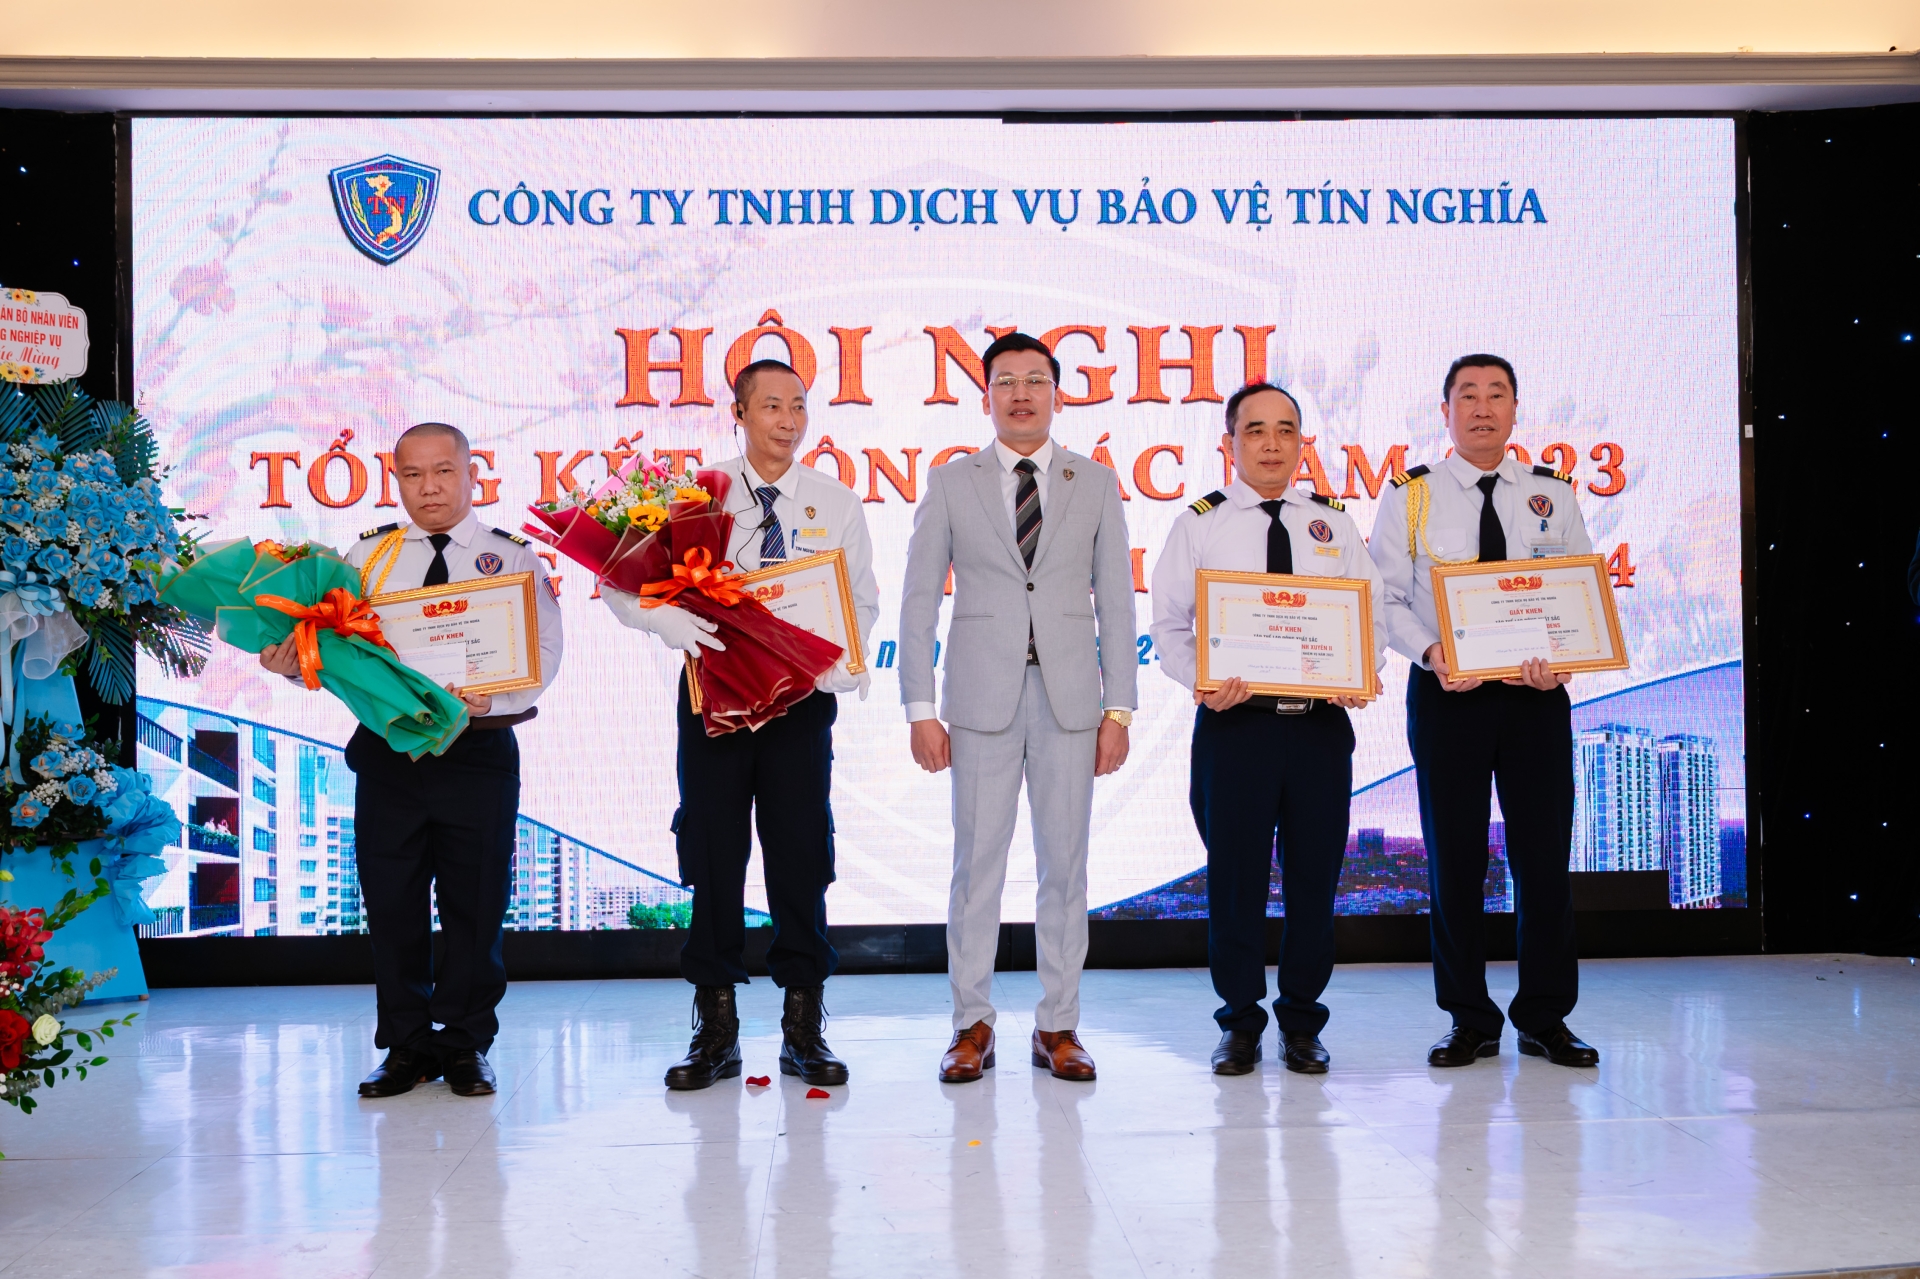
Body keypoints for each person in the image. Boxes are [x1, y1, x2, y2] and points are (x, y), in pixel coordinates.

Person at [260, 421, 565, 1098]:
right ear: (395, 480)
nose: (429, 487)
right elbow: (335, 653)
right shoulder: (365, 560)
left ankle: (464, 1043)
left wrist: (491, 697)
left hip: (477, 749)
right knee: (392, 904)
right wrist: (293, 662)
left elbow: (544, 650)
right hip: (388, 754)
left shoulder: (512, 558)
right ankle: (404, 1045)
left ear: (472, 475)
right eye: (413, 474)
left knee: (475, 907)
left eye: (444, 471)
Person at [602, 358, 878, 1091]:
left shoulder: (835, 502)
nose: (788, 421)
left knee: (801, 858)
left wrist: (834, 664)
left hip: (798, 705)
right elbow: (618, 577)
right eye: (772, 406)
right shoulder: (697, 496)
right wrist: (659, 619)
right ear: (739, 412)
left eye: (799, 406)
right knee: (713, 854)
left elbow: (860, 602)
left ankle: (803, 1026)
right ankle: (715, 1030)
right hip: (713, 701)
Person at [900, 331, 1136, 1084]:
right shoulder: (951, 482)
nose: (1022, 393)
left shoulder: (1094, 481)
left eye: (1036, 380)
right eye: (1006, 381)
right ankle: (970, 1025)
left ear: (1058, 394)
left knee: (1066, 868)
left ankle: (1059, 1025)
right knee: (977, 868)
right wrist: (919, 706)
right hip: (979, 702)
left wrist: (1119, 711)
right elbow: (917, 601)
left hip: (1071, 702)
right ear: (986, 397)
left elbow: (1117, 603)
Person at [1369, 355, 1600, 1069]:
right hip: (1449, 695)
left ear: (1515, 410)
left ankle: (1545, 1017)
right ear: (1445, 412)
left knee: (1544, 860)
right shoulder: (1411, 496)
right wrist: (1432, 651)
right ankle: (1468, 1017)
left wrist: (1566, 654)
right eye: (1467, 395)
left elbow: (1578, 589)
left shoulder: (1551, 494)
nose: (1482, 407)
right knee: (1455, 860)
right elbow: (1385, 597)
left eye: (1496, 394)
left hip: (1535, 699)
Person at [1149, 382, 1386, 1076]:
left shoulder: (1332, 524)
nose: (1272, 444)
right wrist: (1199, 680)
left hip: (1318, 730)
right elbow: (1169, 624)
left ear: (1302, 442)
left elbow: (1368, 614)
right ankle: (1240, 1022)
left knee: (1315, 878)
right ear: (1230, 444)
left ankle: (1303, 1022)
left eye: (1286, 430)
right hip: (1235, 729)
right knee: (1235, 882)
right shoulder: (1201, 524)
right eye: (1255, 430)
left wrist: (1361, 671)